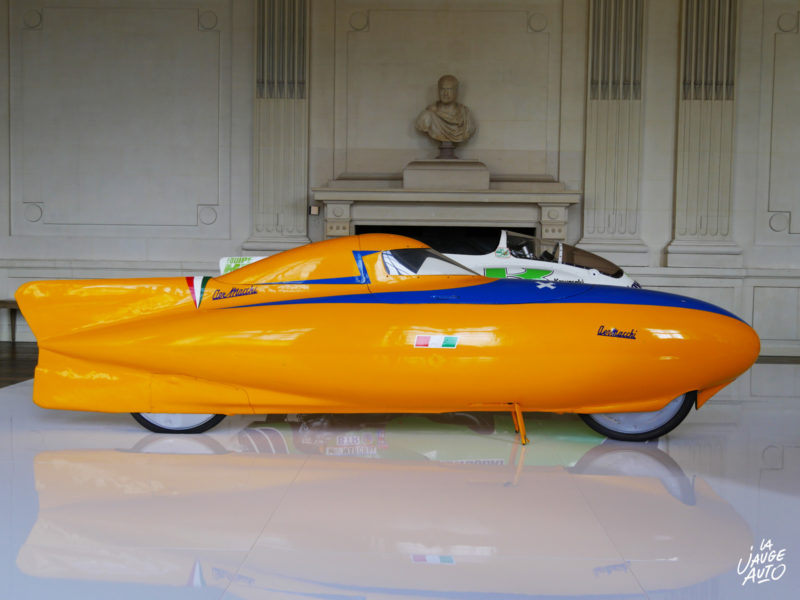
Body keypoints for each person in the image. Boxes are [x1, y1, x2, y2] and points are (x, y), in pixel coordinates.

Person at [415, 74, 476, 144]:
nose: (445, 93)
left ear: (456, 91)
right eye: (442, 89)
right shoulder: (428, 115)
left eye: (449, 89)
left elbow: (470, 129)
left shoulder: (466, 115)